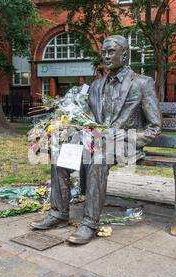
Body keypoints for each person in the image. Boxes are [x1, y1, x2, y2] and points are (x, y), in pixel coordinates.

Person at [30, 35, 162, 245]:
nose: (106, 56)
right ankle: (59, 213)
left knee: (98, 158)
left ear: (125, 55)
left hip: (123, 143)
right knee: (60, 155)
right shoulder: (96, 86)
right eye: (104, 53)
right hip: (95, 141)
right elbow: (85, 119)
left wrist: (127, 136)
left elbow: (154, 128)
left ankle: (90, 223)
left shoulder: (142, 83)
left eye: (111, 52)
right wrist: (65, 125)